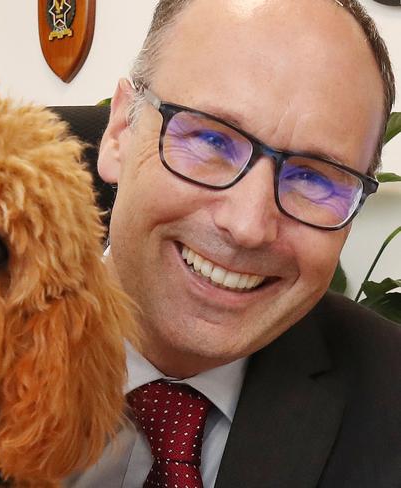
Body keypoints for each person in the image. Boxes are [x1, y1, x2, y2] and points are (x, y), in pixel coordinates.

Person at [66, 0, 400, 487]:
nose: (248, 226)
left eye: (314, 177)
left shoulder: (390, 396)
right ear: (120, 133)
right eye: (212, 140)